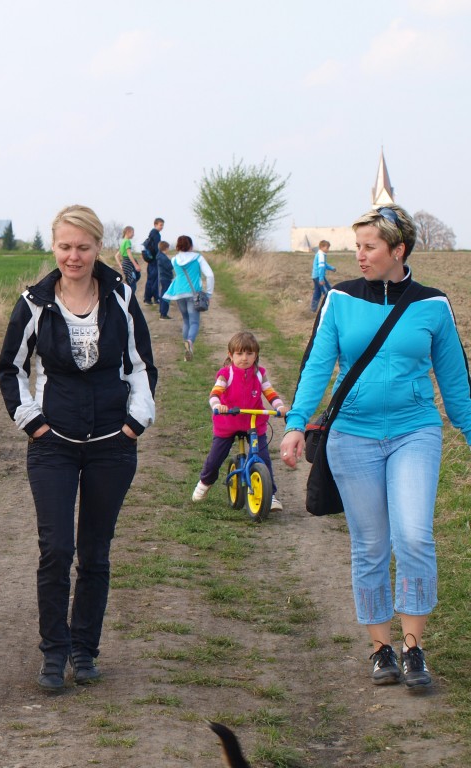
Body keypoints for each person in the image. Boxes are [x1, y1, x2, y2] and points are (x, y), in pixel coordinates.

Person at [281, 204, 471, 691]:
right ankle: (380, 648)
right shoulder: (340, 299)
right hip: (352, 436)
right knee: (370, 545)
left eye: (369, 247)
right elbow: (317, 365)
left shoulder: (433, 305)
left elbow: (455, 382)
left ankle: (413, 648)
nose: (359, 255)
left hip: (414, 432)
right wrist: (297, 424)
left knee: (414, 537)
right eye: (357, 246)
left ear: (398, 250)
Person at [0, 204, 157, 690]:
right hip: (54, 446)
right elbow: (10, 368)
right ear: (54, 247)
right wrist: (33, 423)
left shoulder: (121, 297)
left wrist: (135, 423)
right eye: (65, 246)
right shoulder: (34, 303)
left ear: (97, 248)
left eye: (83, 247)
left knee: (94, 553)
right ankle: (54, 653)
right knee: (56, 549)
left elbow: (141, 365)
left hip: (113, 445)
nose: (74, 256)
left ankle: (85, 651)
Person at [191, 332, 285, 512]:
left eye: (249, 354)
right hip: (228, 422)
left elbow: (270, 392)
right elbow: (215, 393)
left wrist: (279, 406)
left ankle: (270, 495)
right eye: (240, 354)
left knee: (263, 458)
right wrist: (218, 405)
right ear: (231, 355)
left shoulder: (259, 374)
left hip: (253, 422)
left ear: (256, 355)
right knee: (215, 459)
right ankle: (204, 483)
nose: (244, 358)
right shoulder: (226, 374)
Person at [162, 235, 214, 361]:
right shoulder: (198, 257)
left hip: (179, 293)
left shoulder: (174, 260)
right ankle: (189, 343)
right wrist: (208, 293)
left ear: (178, 246)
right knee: (194, 322)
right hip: (193, 294)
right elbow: (210, 275)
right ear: (191, 245)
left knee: (186, 320)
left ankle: (187, 349)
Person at [141, 217, 164, 305]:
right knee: (155, 279)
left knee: (150, 279)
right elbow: (157, 248)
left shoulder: (151, 234)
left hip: (151, 260)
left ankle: (148, 298)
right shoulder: (156, 234)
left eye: (162, 225)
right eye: (160, 225)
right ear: (155, 224)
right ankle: (155, 298)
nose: (162, 227)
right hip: (154, 260)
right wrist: (160, 257)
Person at [310, 239, 336, 312]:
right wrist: (321, 279)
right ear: (322, 247)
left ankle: (313, 309)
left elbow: (324, 264)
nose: (328, 250)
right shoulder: (321, 255)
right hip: (319, 276)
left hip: (315, 276)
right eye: (327, 248)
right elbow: (321, 267)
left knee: (317, 292)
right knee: (327, 291)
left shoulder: (320, 254)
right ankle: (330, 308)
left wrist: (331, 268)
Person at [114, 226, 142, 290]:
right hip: (129, 264)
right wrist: (136, 265)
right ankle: (130, 295)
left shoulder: (122, 242)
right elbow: (129, 254)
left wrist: (121, 265)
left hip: (124, 264)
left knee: (131, 281)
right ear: (128, 232)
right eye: (133, 233)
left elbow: (116, 256)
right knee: (132, 284)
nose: (133, 235)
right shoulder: (127, 241)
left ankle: (128, 293)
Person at [156, 241, 174, 319]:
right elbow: (170, 267)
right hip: (166, 278)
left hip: (162, 277)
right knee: (166, 295)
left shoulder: (159, 256)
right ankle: (163, 313)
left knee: (163, 294)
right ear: (166, 248)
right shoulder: (163, 258)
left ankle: (162, 312)